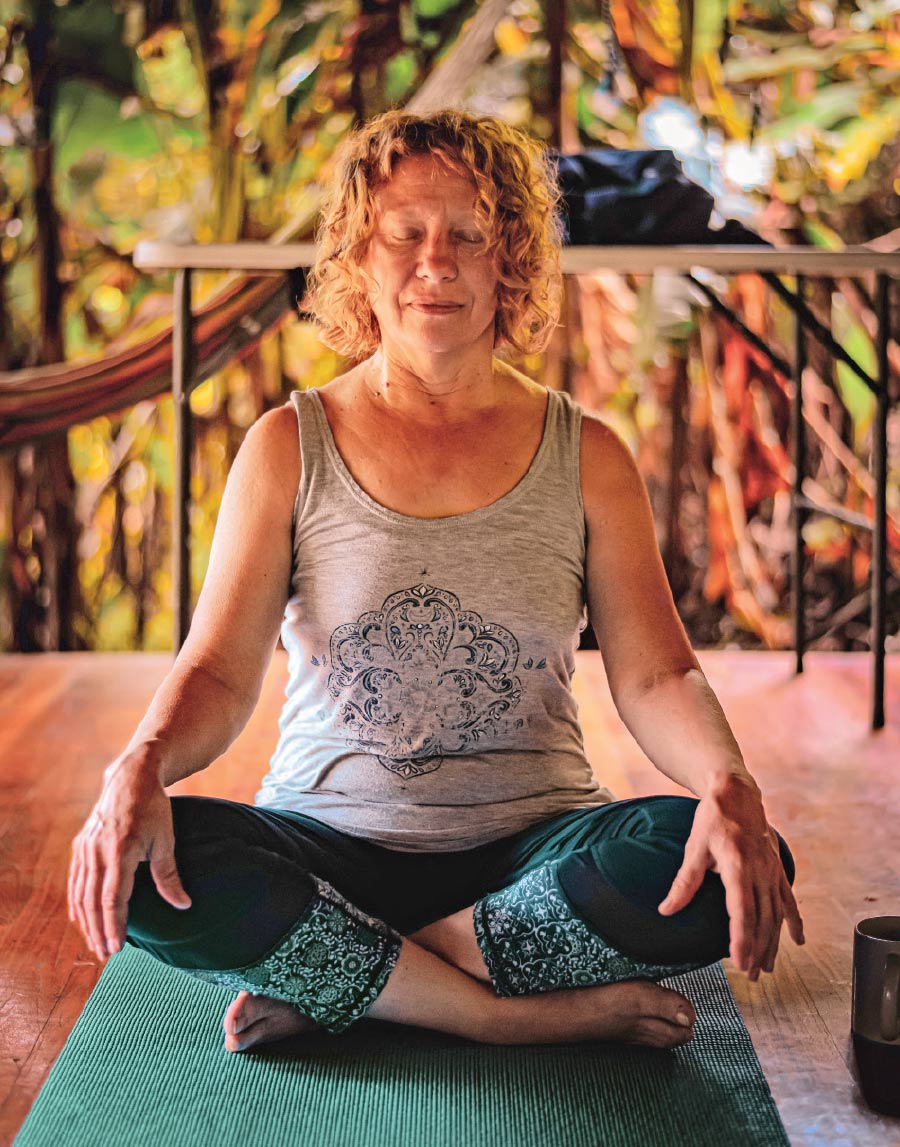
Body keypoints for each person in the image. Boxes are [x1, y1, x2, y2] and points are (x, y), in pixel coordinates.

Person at [67, 109, 804, 1054]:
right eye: (404, 235)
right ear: (358, 261)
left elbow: (658, 675)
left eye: (469, 234)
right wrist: (140, 763)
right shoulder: (288, 446)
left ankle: (354, 981)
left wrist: (727, 780)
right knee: (137, 868)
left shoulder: (593, 456)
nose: (437, 263)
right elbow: (217, 671)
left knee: (724, 853)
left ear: (514, 259)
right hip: (328, 849)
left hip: (531, 852)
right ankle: (503, 1013)